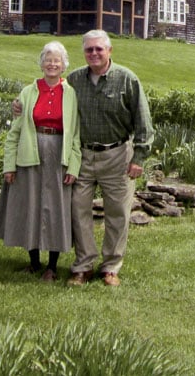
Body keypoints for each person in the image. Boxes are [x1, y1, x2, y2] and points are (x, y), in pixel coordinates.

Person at [65, 30, 153, 287]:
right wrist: (21, 105)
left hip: (117, 156)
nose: (94, 53)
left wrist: (139, 157)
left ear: (109, 51)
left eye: (99, 49)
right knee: (78, 210)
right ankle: (83, 266)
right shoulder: (73, 80)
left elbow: (143, 122)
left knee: (117, 213)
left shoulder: (127, 79)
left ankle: (111, 267)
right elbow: (49, 99)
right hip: (82, 156)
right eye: (89, 49)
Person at [0, 41, 81, 282]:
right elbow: (14, 132)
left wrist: (73, 166)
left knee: (55, 208)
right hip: (29, 155)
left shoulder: (71, 94)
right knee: (29, 205)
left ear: (64, 65)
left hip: (58, 155)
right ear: (41, 63)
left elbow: (75, 134)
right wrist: (9, 165)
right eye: (48, 60)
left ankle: (52, 266)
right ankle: (33, 262)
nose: (52, 64)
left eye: (57, 60)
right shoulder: (28, 93)